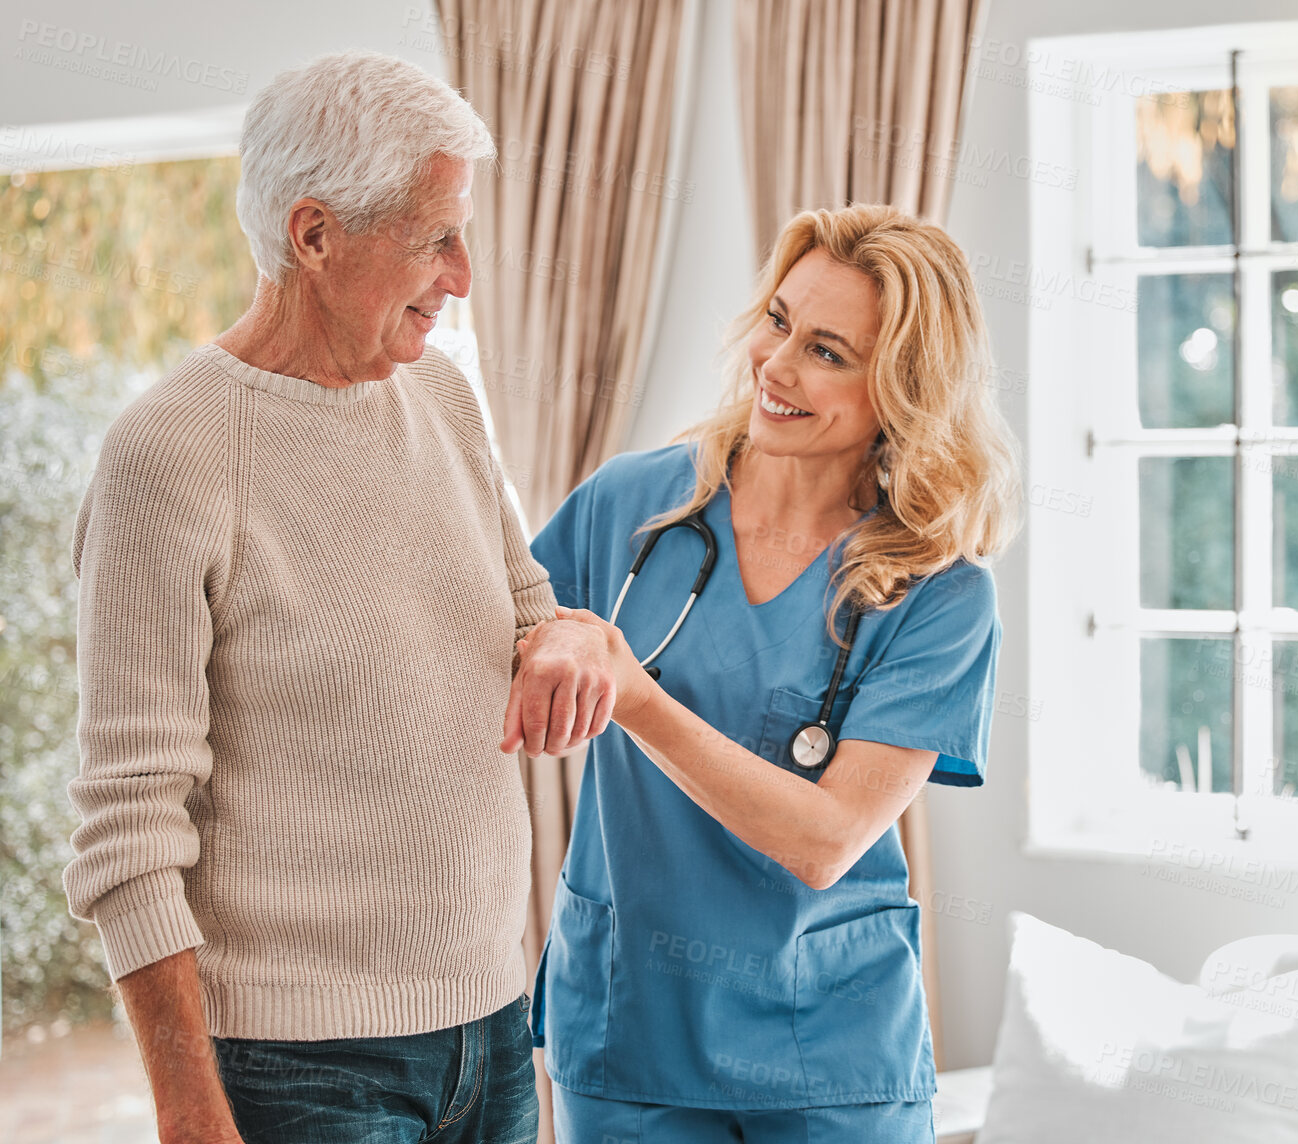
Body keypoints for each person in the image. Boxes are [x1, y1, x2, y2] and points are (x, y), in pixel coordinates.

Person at [63, 51, 610, 1144]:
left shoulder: (444, 396)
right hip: (294, 1067)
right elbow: (127, 821)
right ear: (313, 236)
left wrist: (574, 635)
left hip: (495, 1028)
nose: (463, 273)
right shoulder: (168, 453)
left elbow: (524, 606)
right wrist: (188, 1111)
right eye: (434, 236)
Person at [508, 203, 1022, 1142]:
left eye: (829, 352)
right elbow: (486, 661)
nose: (775, 367)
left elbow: (826, 839)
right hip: (632, 1033)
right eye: (779, 321)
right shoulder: (630, 504)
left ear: (904, 389)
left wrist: (634, 696)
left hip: (829, 1051)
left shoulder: (938, 593)